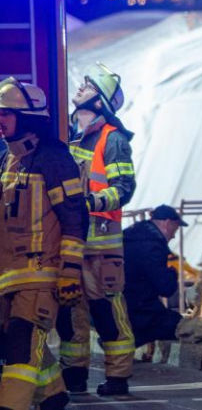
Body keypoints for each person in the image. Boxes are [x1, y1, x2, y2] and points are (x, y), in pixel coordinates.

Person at [0, 78, 87, 410]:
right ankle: (53, 395)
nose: (0, 120)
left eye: (6, 114)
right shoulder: (8, 159)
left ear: (28, 117)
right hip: (11, 276)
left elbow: (75, 218)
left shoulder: (53, 159)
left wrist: (70, 272)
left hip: (41, 275)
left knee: (21, 347)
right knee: (13, 340)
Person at [58, 63, 136, 396]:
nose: (80, 88)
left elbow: (125, 187)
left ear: (99, 102)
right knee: (71, 309)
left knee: (108, 311)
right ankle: (74, 375)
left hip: (102, 246)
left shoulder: (113, 139)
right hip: (73, 243)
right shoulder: (72, 135)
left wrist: (90, 201)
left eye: (89, 86)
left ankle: (118, 377)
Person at [122, 205, 188, 347]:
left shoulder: (131, 233)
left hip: (117, 306)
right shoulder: (153, 245)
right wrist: (172, 273)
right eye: (175, 229)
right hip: (140, 311)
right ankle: (132, 338)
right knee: (181, 326)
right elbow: (165, 288)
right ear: (167, 223)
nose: (174, 235)